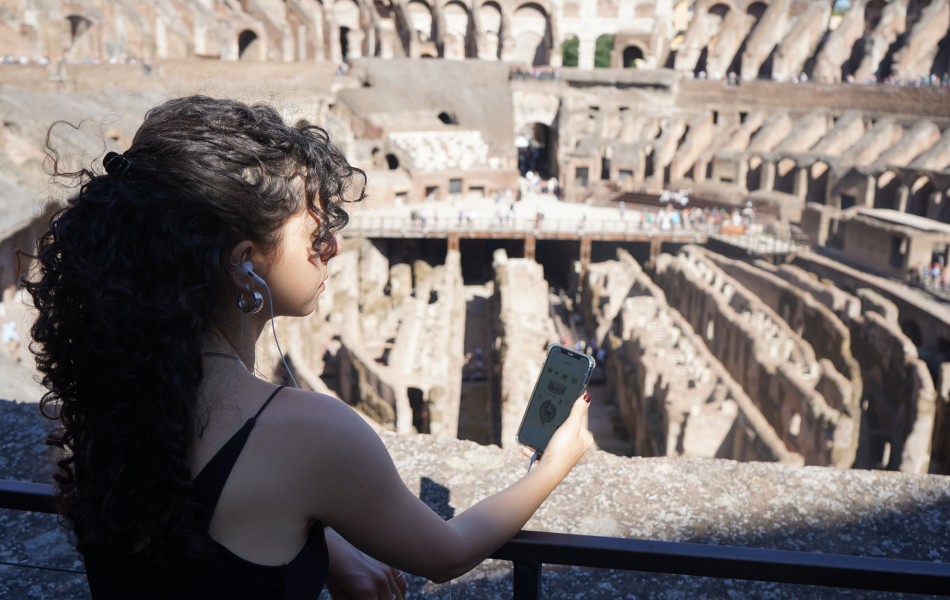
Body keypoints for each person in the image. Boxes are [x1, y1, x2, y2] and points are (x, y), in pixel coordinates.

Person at [25, 95, 594, 599]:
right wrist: (553, 466)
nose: (335, 249)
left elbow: (207, 532)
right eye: (317, 235)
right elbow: (446, 554)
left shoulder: (99, 398)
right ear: (245, 262)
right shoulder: (308, 432)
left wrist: (325, 551)